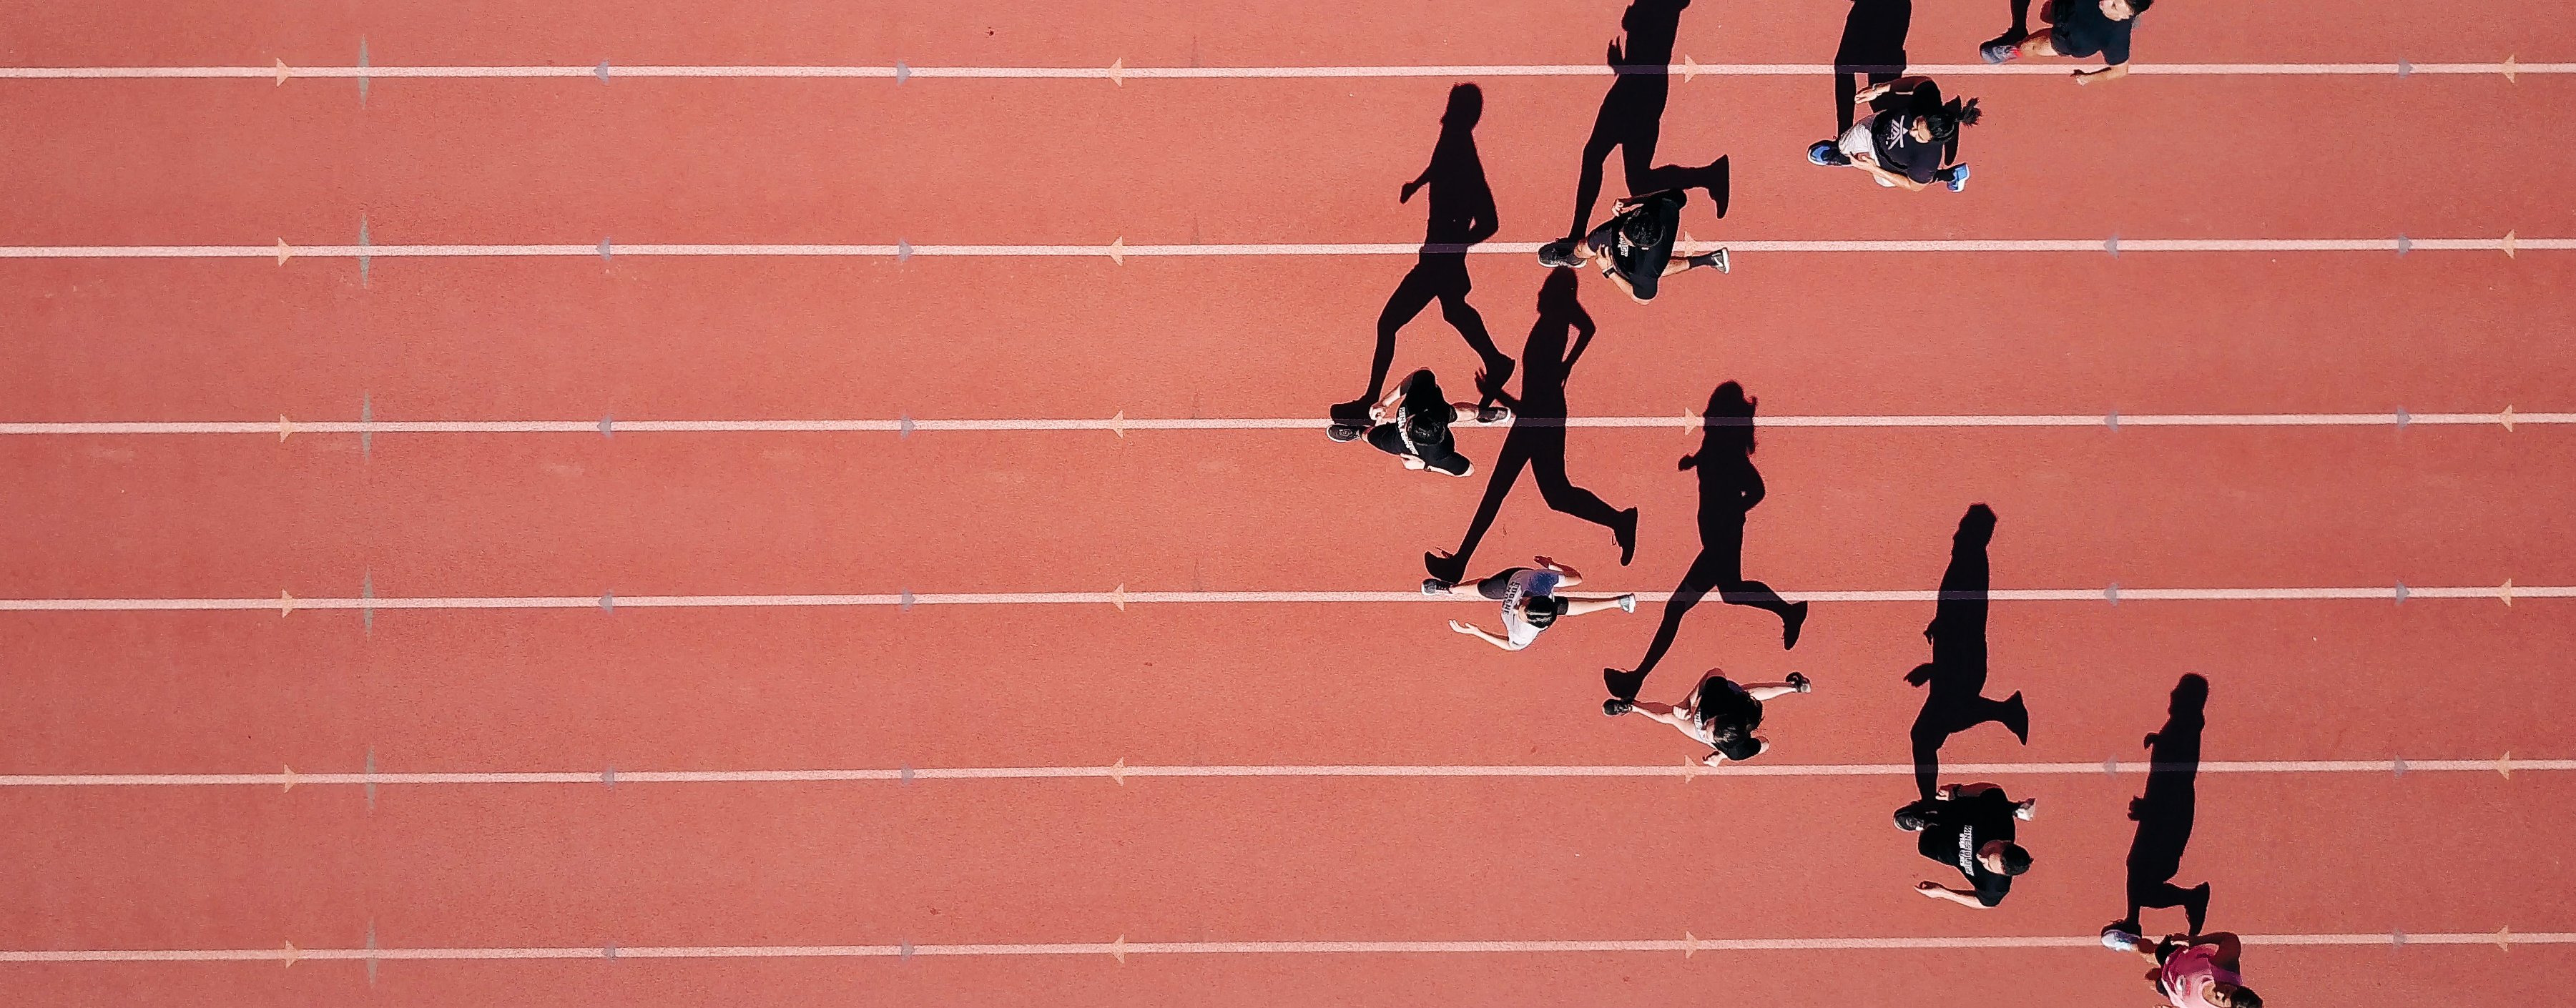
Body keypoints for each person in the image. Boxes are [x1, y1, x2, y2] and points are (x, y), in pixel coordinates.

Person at [1422, 269, 1638, 586]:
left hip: (1541, 418)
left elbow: (1535, 400)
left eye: (1544, 291)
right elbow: (1588, 328)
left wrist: (1499, 394)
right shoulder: (1556, 320)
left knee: (1540, 493)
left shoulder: (1552, 327)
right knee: (1536, 493)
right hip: (1539, 416)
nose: (1538, 296)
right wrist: (1567, 366)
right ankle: (1459, 563)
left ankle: (1620, 520)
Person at [1601, 383, 1809, 703]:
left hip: (1720, 541)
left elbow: (1757, 490)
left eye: (1712, 409)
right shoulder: (1715, 445)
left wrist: (1731, 512)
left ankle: (1636, 680)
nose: (1707, 413)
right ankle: (1789, 613)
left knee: (1676, 609)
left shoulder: (1728, 453)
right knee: (1733, 593)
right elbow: (1711, 460)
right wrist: (1694, 462)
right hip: (1717, 536)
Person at [1331, 84, 1516, 430]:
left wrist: (1454, 247)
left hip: (1437, 261)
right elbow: (1438, 165)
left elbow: (1490, 222)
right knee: (1454, 311)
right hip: (1438, 257)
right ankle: (1497, 360)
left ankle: (1370, 403)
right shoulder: (1452, 140)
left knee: (1388, 324)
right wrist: (1417, 184)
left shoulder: (1463, 152)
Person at [1537, 189, 1727, 305]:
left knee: (1647, 273)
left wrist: (1609, 270)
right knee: (1585, 245)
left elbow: (1642, 299)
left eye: (1624, 236)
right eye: (1625, 228)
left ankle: (1574, 258)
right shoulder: (1665, 206)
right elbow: (1676, 195)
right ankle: (1710, 260)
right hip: (1650, 258)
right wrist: (1632, 201)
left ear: (1641, 247)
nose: (1620, 233)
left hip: (1632, 264)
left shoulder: (1643, 270)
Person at [1604, 668, 1811, 765]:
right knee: (1747, 692)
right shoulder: (1717, 698)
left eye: (1707, 733)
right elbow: (1714, 672)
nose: (1701, 729)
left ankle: (1631, 706)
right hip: (1732, 697)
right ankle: (1795, 686)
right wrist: (1687, 702)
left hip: (1735, 728)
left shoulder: (1737, 752)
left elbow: (1764, 744)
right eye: (1708, 725)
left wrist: (1723, 756)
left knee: (1669, 718)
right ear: (1718, 716)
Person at [1426, 556, 1634, 651]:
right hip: (1514, 578)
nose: (1516, 607)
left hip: (1537, 605)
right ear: (1538, 596)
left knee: (1563, 608)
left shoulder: (1523, 634)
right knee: (1485, 588)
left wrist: (1477, 632)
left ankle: (1618, 602)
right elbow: (1577, 578)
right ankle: (1452, 589)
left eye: (1520, 611)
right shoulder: (1540, 580)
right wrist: (1554, 566)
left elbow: (1509, 646)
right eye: (1523, 604)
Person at [1806, 77, 1978, 192]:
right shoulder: (1928, 99)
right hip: (1874, 128)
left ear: (1934, 141)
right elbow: (1920, 82)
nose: (1911, 131)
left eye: (1919, 136)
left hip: (1885, 166)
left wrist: (1875, 169)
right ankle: (1843, 155)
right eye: (1917, 123)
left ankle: (1950, 175)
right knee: (1843, 144)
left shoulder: (1928, 159)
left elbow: (1914, 186)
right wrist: (1878, 90)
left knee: (1894, 180)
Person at [1334, 368, 1507, 476]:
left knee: (1369, 436)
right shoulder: (1422, 400)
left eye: (1406, 426)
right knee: (1460, 412)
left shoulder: (1438, 456)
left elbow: (1468, 471)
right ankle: (1483, 413)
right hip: (1436, 416)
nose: (1402, 424)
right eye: (1409, 421)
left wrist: (1425, 466)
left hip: (1401, 445)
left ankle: (1358, 433)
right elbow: (1421, 373)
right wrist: (1385, 402)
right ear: (1425, 414)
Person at [1896, 782, 2035, 908]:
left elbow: (1983, 902)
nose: (1981, 857)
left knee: (1925, 847)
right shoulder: (1998, 820)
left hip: (1952, 853)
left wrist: (1945, 893)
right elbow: (1992, 790)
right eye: (1990, 851)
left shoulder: (1996, 886)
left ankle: (1928, 822)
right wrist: (1957, 791)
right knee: (1947, 804)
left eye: (1988, 865)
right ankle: (1932, 815)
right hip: (1965, 816)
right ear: (2004, 842)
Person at [1980, 0, 2148, 86]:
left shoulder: (2116, 37)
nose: (2105, 1)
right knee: (2046, 14)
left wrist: (2089, 78)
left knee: (2028, 46)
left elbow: (2120, 71)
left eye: (2114, 6)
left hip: (2070, 39)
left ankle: (2014, 50)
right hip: (2068, 7)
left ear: (2126, 16)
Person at [2097, 930, 2264, 1008]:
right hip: (2177, 957)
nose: (2219, 992)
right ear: (2236, 986)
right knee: (2148, 953)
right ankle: (2131, 943)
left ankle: (2158, 970)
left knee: (2150, 978)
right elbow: (2230, 939)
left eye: (2222, 999)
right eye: (2227, 990)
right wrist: (2194, 941)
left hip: (2174, 989)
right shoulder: (2224, 967)